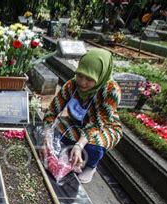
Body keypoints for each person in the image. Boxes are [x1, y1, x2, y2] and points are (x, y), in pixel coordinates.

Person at [42, 48, 122, 183]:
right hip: (77, 124)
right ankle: (73, 154)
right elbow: (52, 111)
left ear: (100, 76)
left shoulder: (110, 91)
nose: (82, 82)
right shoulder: (72, 85)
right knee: (55, 133)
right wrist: (46, 136)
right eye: (80, 76)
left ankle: (91, 165)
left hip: (104, 127)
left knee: (92, 147)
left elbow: (97, 123)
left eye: (89, 79)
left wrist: (79, 145)